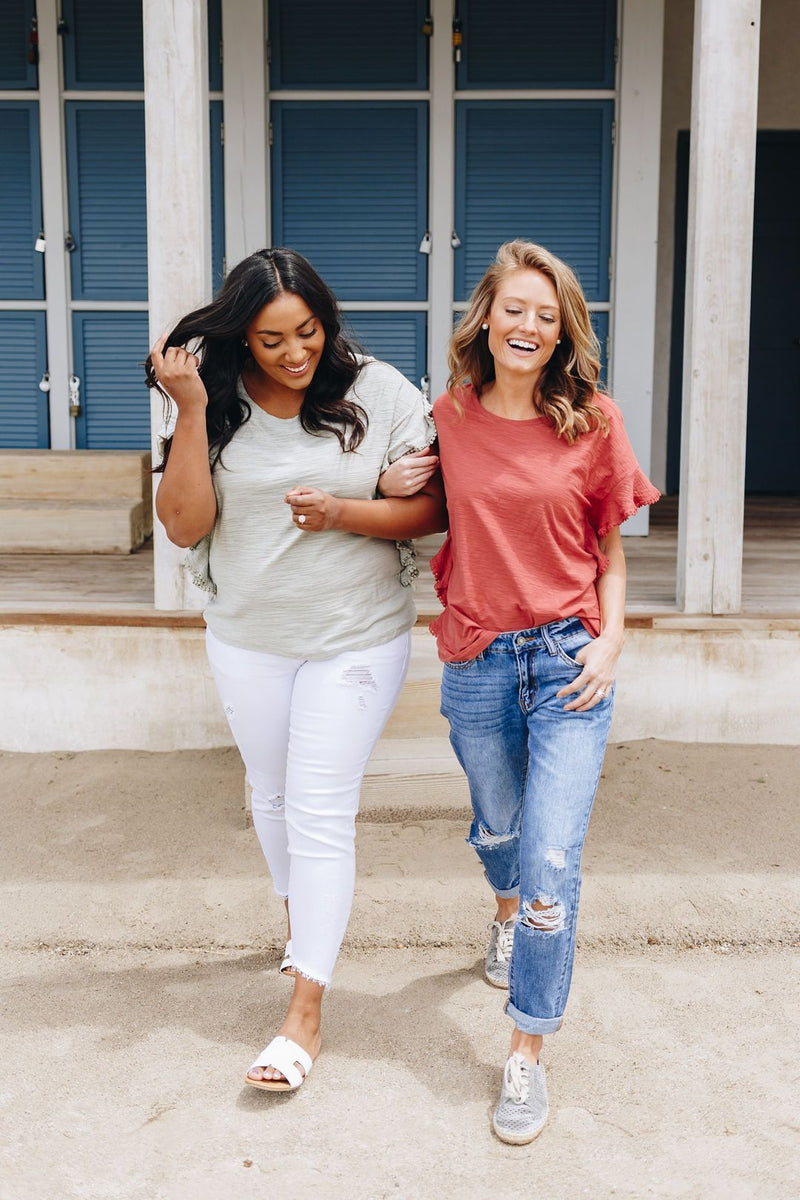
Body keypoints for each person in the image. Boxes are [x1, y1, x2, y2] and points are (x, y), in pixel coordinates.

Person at [146, 247, 446, 1094]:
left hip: (355, 637)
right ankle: (301, 926)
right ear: (242, 334)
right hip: (247, 636)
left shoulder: (380, 392)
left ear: (328, 322)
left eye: (307, 332)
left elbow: (433, 509)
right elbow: (182, 525)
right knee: (271, 796)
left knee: (319, 809)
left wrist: (349, 509)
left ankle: (303, 1012)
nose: (293, 353)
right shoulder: (215, 402)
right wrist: (194, 409)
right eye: (271, 338)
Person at [383, 240, 659, 1144]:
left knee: (551, 864)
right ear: (486, 319)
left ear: (563, 329)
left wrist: (612, 640)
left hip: (569, 658)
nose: (528, 327)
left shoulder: (592, 421)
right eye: (514, 310)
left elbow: (610, 551)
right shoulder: (451, 414)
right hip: (477, 657)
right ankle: (502, 913)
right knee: (500, 825)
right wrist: (390, 481)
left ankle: (526, 1051)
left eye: (547, 314)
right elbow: (424, 499)